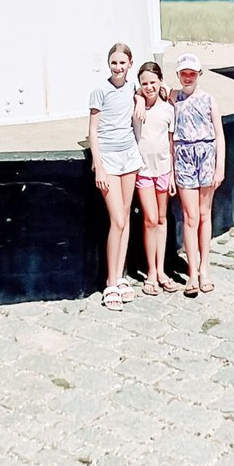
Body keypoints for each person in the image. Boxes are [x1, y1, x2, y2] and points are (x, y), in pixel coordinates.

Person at [88, 42, 142, 310]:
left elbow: (149, 92)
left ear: (130, 63)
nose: (118, 67)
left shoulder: (132, 88)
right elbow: (93, 130)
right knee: (117, 219)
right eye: (114, 63)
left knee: (126, 216)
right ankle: (110, 282)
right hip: (108, 158)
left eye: (122, 63)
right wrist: (98, 164)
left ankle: (121, 276)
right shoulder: (100, 91)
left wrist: (141, 99)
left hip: (129, 156)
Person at [170, 52, 226, 297]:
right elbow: (147, 89)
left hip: (206, 155)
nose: (188, 77)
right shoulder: (174, 98)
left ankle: (205, 267)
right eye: (184, 73)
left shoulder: (210, 100)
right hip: (183, 155)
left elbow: (219, 134)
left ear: (199, 75)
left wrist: (220, 166)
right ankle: (192, 271)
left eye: (192, 73)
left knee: (204, 214)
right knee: (189, 216)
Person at [133, 61, 179, 295]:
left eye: (153, 82)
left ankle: (161, 270)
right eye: (144, 83)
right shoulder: (137, 105)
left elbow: (171, 143)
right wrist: (140, 98)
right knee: (149, 219)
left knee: (161, 219)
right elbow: (133, 94)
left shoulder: (168, 109)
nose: (149, 87)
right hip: (143, 170)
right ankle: (151, 271)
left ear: (160, 81)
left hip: (162, 169)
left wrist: (171, 174)